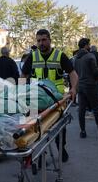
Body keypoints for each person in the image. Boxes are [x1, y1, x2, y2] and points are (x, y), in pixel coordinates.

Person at [21, 29, 79, 162]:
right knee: (34, 126)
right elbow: (23, 76)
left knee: (58, 126)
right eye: (39, 40)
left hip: (55, 97)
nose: (41, 43)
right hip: (37, 97)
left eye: (44, 40)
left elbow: (73, 74)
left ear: (50, 40)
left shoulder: (59, 56)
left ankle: (61, 147)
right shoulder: (33, 56)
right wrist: (21, 91)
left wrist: (73, 89)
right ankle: (39, 152)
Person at [74, 38, 98, 140]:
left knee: (81, 109)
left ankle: (82, 131)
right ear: (86, 45)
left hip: (80, 86)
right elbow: (95, 72)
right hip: (91, 85)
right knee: (97, 108)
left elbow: (75, 73)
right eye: (89, 44)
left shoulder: (76, 58)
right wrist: (97, 80)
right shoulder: (90, 56)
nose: (89, 46)